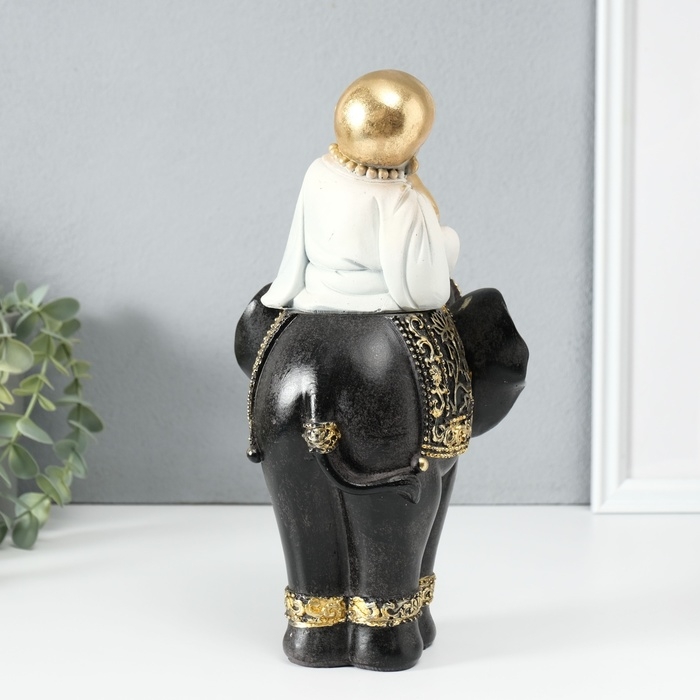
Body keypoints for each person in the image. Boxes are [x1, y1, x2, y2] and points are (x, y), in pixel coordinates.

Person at [261, 69, 459, 314]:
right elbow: (426, 291)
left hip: (318, 284)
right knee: (448, 240)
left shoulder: (317, 170)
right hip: (371, 294)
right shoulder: (399, 197)